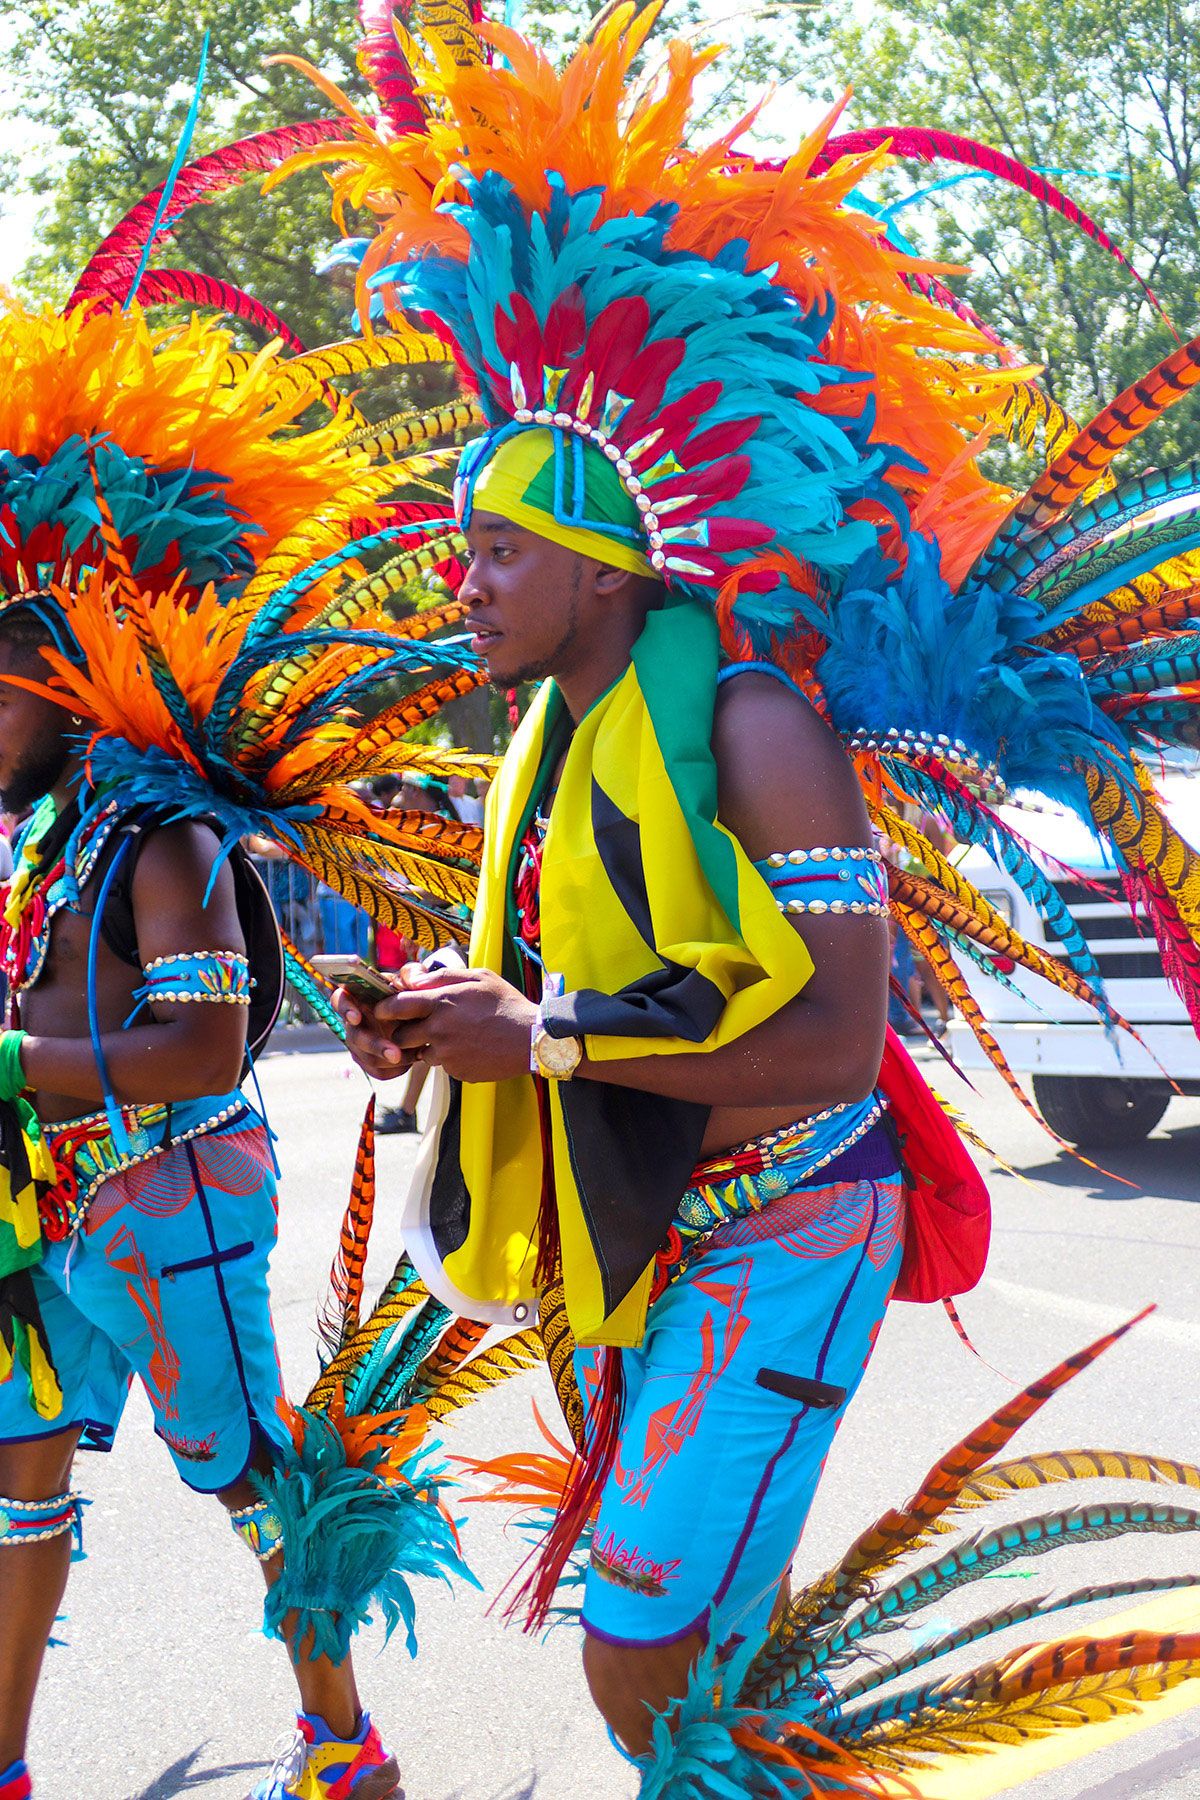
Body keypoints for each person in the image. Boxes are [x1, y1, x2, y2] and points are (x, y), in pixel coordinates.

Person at [305, 2, 1200, 1788]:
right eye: (462, 549)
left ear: (602, 566)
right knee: (715, 1642)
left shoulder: (752, 723)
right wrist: (435, 1023)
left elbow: (843, 1033)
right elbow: (574, 991)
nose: (462, 584)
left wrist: (544, 1044)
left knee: (640, 1649)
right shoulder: (551, 747)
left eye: (499, 552)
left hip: (793, 1218)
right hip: (640, 1227)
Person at [0, 285, 484, 1800]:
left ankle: (347, 1747)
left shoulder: (165, 838)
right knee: (18, 1486)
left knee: (249, 1479)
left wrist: (10, 1071)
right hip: (52, 1207)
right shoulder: (49, 840)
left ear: (61, 666)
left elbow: (202, 1051)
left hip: (171, 1197)